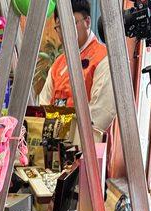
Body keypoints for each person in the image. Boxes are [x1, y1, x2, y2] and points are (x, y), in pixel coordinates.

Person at [39, 0, 115, 133]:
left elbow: (101, 113)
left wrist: (66, 132)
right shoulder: (58, 63)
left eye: (71, 23)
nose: (65, 31)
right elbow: (43, 104)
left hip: (86, 140)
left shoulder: (104, 58)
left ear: (87, 22)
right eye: (60, 27)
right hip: (52, 138)